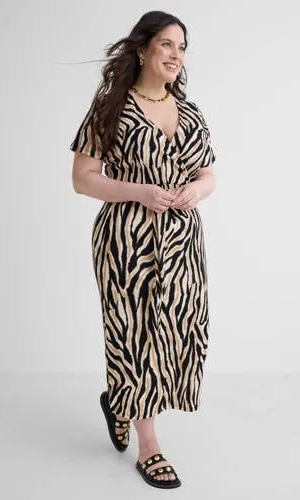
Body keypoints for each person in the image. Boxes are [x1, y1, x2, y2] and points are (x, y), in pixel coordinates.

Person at [70, 10, 216, 489]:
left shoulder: (190, 112)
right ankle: (148, 445)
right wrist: (140, 192)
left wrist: (196, 191)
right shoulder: (111, 107)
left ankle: (119, 401)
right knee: (134, 333)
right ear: (141, 49)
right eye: (167, 44)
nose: (176, 55)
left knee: (176, 329)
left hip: (182, 240)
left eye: (182, 47)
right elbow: (83, 179)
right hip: (127, 241)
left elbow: (208, 175)